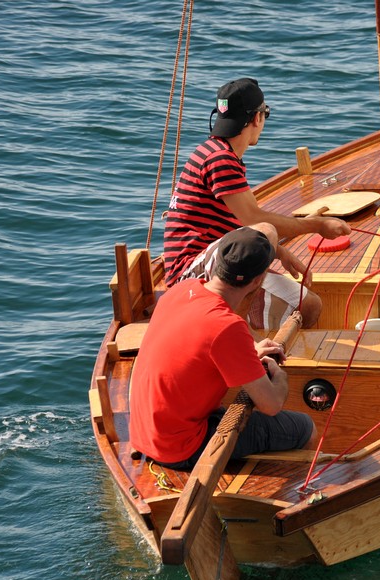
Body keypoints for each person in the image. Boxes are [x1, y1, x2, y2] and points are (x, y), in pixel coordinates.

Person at [163, 77, 351, 330]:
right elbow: (253, 220)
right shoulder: (220, 160)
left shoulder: (213, 151)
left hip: (211, 262)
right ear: (256, 118)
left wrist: (279, 252)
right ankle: (234, 329)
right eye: (266, 114)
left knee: (309, 306)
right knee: (265, 230)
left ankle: (247, 332)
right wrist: (318, 225)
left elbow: (237, 226)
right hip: (187, 275)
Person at [130, 225, 317, 469]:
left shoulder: (180, 290)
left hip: (144, 435)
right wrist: (280, 377)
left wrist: (249, 353)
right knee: (306, 428)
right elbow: (271, 405)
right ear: (258, 280)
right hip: (180, 447)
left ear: (218, 262)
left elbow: (201, 346)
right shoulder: (227, 327)